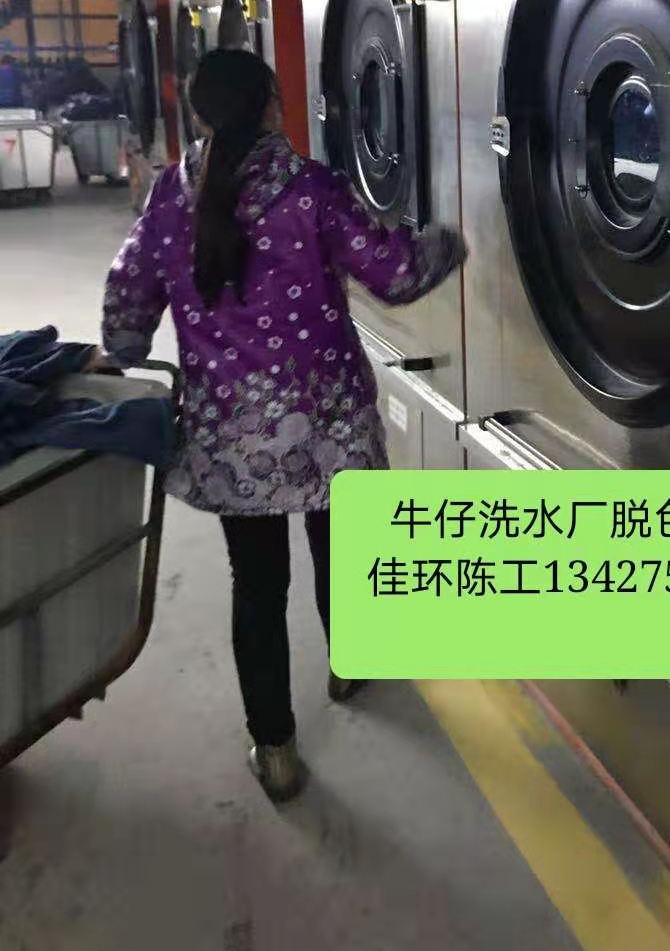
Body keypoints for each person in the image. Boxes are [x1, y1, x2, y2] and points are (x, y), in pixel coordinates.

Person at [100, 49, 465, 801]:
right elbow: (394, 272)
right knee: (342, 553)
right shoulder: (310, 188)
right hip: (328, 422)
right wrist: (451, 241)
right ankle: (351, 664)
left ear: (198, 113)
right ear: (272, 105)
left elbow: (129, 291)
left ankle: (275, 750)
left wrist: (125, 350)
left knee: (257, 587)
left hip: (232, 436)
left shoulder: (171, 196)